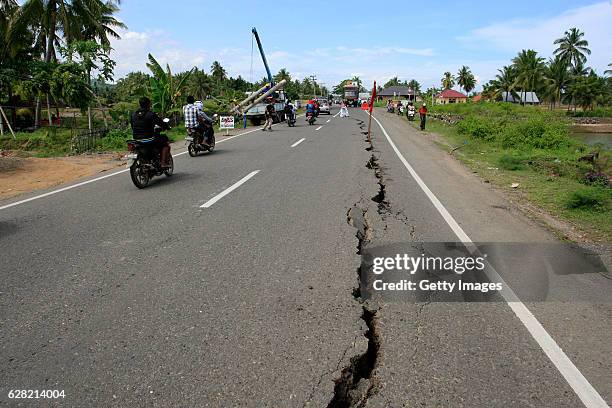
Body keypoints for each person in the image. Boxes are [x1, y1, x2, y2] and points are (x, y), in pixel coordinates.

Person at [130, 96, 171, 167]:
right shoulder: (150, 114)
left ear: (140, 104)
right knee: (165, 142)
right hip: (149, 139)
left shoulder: (133, 115)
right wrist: (166, 127)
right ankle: (163, 163)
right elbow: (160, 123)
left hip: (136, 139)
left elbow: (132, 126)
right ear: (149, 104)